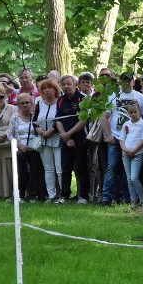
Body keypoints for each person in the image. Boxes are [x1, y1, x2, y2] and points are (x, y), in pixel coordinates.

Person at [100, 72, 143, 206]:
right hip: (117, 137)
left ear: (134, 81)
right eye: (124, 81)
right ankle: (106, 197)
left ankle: (126, 196)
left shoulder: (141, 98)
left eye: (129, 80)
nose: (127, 83)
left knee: (127, 172)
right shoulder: (112, 96)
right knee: (112, 167)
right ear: (120, 82)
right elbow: (104, 117)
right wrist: (108, 135)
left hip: (133, 140)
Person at [56, 75, 89, 204]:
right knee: (65, 168)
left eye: (69, 84)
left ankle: (83, 196)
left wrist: (69, 134)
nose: (66, 87)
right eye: (63, 84)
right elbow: (58, 120)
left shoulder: (82, 99)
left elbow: (83, 120)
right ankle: (64, 195)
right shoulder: (61, 100)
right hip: (65, 139)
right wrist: (64, 136)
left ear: (75, 84)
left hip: (80, 139)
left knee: (81, 168)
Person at [8, 93, 46, 202]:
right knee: (20, 172)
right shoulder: (15, 118)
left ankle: (33, 195)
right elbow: (9, 134)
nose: (25, 105)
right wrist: (19, 145)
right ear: (18, 105)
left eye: (27, 102)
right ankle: (19, 194)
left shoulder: (36, 116)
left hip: (34, 148)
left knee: (35, 172)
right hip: (20, 149)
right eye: (22, 103)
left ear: (31, 104)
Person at [34, 78, 63, 203]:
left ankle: (63, 194)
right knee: (48, 168)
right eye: (44, 88)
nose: (47, 91)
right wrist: (39, 130)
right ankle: (51, 195)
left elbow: (61, 120)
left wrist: (52, 130)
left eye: (49, 88)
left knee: (59, 167)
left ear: (55, 89)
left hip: (57, 139)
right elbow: (34, 121)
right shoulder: (39, 103)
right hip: (43, 140)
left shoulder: (60, 102)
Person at [119, 102, 143, 206]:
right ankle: (133, 199)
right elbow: (122, 139)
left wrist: (133, 151)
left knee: (134, 178)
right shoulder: (126, 124)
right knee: (129, 179)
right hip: (126, 154)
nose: (133, 114)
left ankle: (142, 199)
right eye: (131, 112)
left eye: (135, 112)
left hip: (137, 154)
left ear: (139, 111)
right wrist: (124, 149)